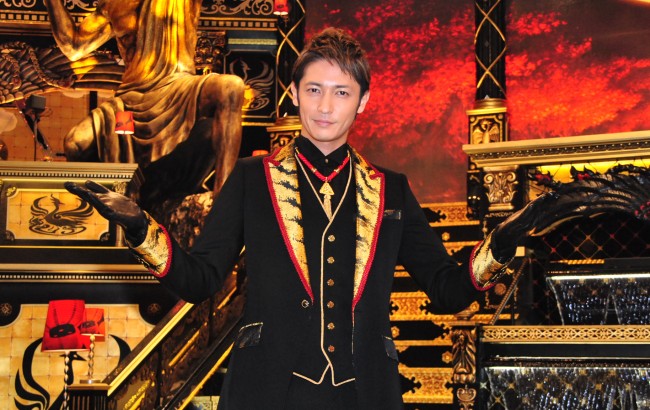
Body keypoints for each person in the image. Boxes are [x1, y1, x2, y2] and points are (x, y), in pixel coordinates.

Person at [65, 28, 548, 409]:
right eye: (314, 89)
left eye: (341, 93)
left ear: (363, 102)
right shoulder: (252, 179)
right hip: (266, 390)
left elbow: (447, 290)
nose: (325, 106)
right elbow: (201, 279)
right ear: (294, 94)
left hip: (365, 393)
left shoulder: (391, 189)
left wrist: (503, 242)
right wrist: (140, 228)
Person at [45, 0, 245, 215]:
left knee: (231, 87)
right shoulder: (112, 5)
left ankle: (224, 200)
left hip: (179, 87)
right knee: (76, 142)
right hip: (128, 103)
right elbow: (73, 46)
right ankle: (102, 219)